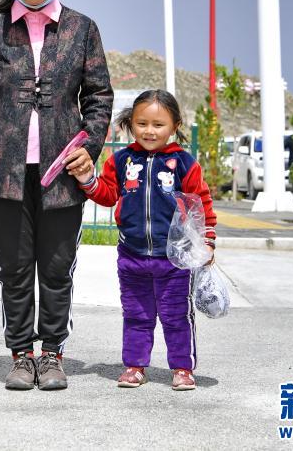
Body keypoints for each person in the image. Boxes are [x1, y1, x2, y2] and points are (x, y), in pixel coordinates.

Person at [0, 0, 113, 391]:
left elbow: (99, 96)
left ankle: (52, 354)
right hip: (4, 174)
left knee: (57, 266)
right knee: (15, 267)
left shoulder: (82, 29)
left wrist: (90, 146)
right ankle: (21, 354)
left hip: (62, 171)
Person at [68, 89, 216, 391]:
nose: (150, 131)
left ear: (175, 126)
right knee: (137, 315)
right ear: (130, 123)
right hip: (131, 255)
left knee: (176, 316)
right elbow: (107, 195)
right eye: (142, 123)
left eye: (158, 125)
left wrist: (207, 241)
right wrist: (87, 180)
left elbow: (201, 204)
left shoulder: (185, 163)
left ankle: (183, 368)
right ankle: (135, 366)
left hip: (174, 260)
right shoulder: (121, 160)